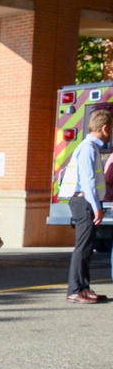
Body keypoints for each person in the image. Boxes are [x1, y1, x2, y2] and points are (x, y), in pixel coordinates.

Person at [58, 104, 111, 304]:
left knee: (87, 247)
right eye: (111, 129)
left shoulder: (89, 147)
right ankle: (75, 290)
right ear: (105, 128)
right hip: (84, 201)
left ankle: (83, 287)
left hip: (84, 200)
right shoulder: (88, 148)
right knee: (82, 247)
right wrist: (96, 206)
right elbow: (88, 180)